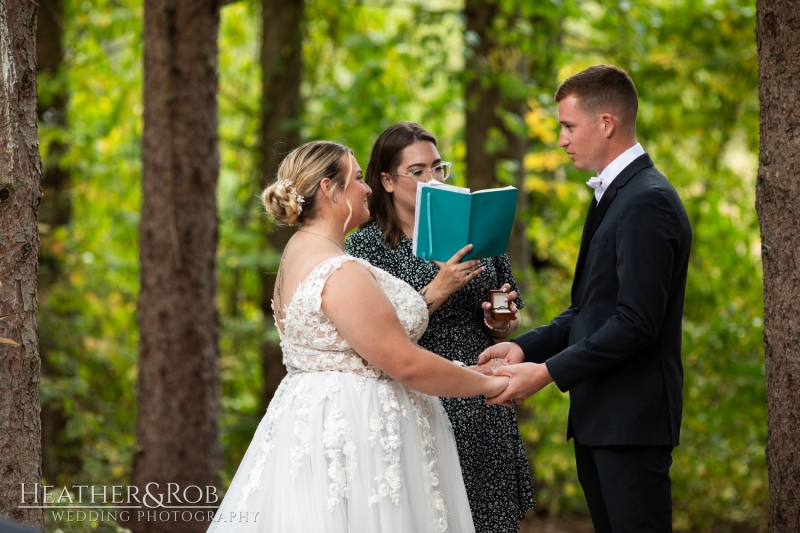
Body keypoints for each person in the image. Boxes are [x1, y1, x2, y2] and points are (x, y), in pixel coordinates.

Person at [207, 141, 509, 533]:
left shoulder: (298, 253)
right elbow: (404, 363)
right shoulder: (338, 270)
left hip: (315, 418)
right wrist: (493, 383)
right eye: (359, 179)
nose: (367, 189)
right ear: (330, 189)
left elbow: (360, 349)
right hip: (357, 436)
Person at [478, 65, 692, 532]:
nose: (561, 140)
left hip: (631, 425)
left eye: (568, 126)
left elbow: (636, 322)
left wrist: (547, 373)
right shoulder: (614, 195)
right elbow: (588, 309)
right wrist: (524, 348)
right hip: (603, 420)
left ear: (607, 123)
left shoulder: (646, 200)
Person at [345, 122, 535, 532]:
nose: (431, 179)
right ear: (387, 181)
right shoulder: (365, 248)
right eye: (417, 172)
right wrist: (437, 289)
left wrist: (501, 316)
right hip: (416, 401)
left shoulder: (474, 232)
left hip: (483, 400)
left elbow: (506, 304)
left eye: (438, 168)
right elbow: (372, 335)